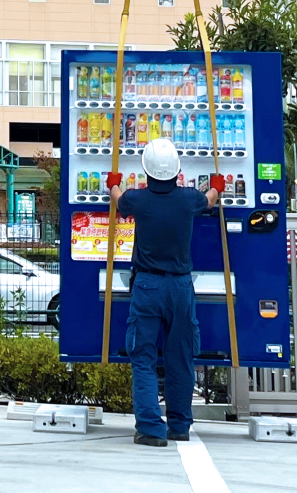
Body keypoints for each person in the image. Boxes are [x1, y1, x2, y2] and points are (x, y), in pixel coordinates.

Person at [107, 137, 223, 448]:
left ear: (147, 172)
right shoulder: (188, 199)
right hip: (181, 287)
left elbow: (119, 200)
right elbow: (209, 200)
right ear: (177, 170)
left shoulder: (139, 200)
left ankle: (149, 429)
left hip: (147, 285)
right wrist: (217, 184)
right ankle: (180, 425)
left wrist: (113, 184)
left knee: (143, 357)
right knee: (181, 357)